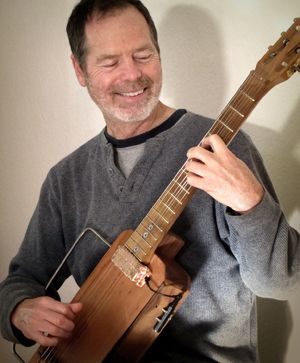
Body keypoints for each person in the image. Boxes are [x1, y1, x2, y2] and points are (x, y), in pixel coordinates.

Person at [0, 0, 299, 362]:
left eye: (143, 55)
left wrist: (251, 202)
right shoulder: (67, 178)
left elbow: (281, 283)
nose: (131, 75)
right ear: (80, 71)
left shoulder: (225, 147)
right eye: (110, 62)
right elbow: (22, 280)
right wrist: (20, 310)